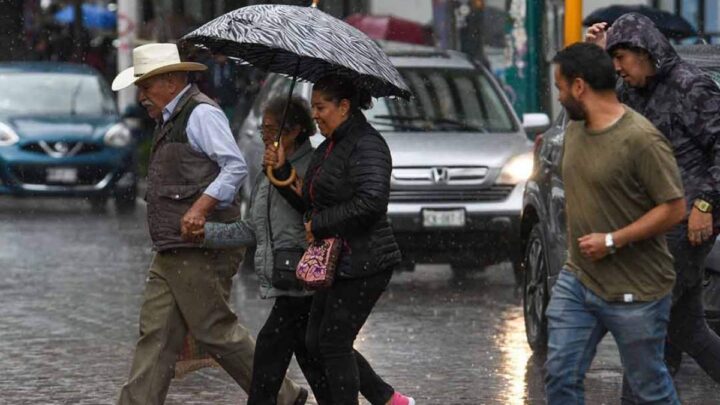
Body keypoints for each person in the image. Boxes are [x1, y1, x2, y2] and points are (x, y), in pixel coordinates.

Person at [111, 43, 307, 405]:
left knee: (214, 330)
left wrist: (199, 209)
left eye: (146, 86)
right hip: (173, 246)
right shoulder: (172, 117)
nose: (141, 97)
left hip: (199, 246)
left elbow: (234, 166)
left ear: (170, 81)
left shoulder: (201, 114)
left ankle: (282, 396)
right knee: (156, 334)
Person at [545, 42, 686, 404]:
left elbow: (674, 208)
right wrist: (593, 50)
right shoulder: (576, 127)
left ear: (579, 87)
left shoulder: (641, 139)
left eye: (561, 87)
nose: (559, 97)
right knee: (560, 376)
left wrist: (613, 240)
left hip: (637, 289)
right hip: (578, 278)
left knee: (649, 390)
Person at [586, 13, 720, 390]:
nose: (618, 69)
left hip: (683, 221)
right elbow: (591, 111)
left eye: (621, 59)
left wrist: (705, 205)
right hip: (653, 223)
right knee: (686, 329)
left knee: (644, 325)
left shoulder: (691, 87)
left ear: (644, 52)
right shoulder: (633, 90)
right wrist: (597, 56)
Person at [266, 74, 415, 405]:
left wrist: (320, 224)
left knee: (332, 342)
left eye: (321, 107)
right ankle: (388, 399)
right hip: (337, 261)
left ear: (344, 106)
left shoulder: (368, 144)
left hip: (366, 260)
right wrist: (281, 173)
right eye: (313, 107)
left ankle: (382, 399)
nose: (315, 114)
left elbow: (371, 202)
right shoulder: (329, 147)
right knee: (316, 340)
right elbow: (312, 201)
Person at [187, 96, 330, 404]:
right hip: (286, 283)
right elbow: (253, 229)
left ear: (292, 131)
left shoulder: (314, 165)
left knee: (269, 358)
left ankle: (381, 394)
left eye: (269, 129)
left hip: (304, 281)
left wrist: (283, 174)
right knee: (312, 360)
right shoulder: (267, 170)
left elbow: (315, 210)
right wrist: (205, 234)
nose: (263, 135)